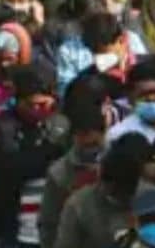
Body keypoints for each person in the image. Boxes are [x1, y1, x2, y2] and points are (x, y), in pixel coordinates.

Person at [0, 62, 69, 248]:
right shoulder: (2, 128)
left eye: (42, 104)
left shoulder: (63, 126)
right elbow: (11, 166)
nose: (36, 110)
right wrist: (50, 153)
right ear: (18, 101)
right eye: (30, 105)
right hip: (11, 220)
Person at [53, 137, 155, 248]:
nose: (125, 197)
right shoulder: (79, 205)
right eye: (120, 192)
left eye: (130, 190)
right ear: (105, 183)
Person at [38, 100, 108, 248]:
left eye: (94, 144)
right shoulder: (59, 173)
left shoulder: (119, 163)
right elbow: (48, 221)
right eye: (84, 142)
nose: (89, 148)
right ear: (74, 136)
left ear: (104, 133)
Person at [107, 60, 155, 144]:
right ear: (130, 99)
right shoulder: (118, 135)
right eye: (143, 95)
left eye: (154, 92)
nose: (150, 99)